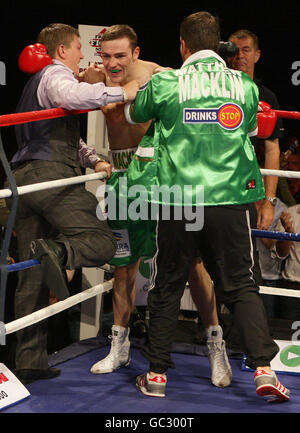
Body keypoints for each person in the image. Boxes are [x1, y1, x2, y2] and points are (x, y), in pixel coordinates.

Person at [125, 11, 290, 402]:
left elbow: (134, 113)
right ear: (218, 46)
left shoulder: (167, 81)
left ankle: (157, 376)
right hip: (230, 200)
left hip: (179, 199)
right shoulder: (245, 87)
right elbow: (250, 130)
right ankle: (264, 370)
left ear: (183, 46)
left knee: (167, 284)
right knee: (240, 285)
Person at [89, 24, 232, 388]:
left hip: (163, 178)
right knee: (123, 266)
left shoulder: (159, 75)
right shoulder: (94, 80)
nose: (113, 63)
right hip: (121, 179)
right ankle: (119, 346)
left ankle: (218, 346)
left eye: (120, 55)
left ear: (135, 53)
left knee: (193, 265)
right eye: (106, 56)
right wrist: (92, 157)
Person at [5, 23, 139, 385]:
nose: (84, 54)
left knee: (32, 275)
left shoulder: (37, 84)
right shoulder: (54, 74)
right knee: (103, 241)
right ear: (63, 50)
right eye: (79, 47)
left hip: (26, 181)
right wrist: (121, 91)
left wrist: (93, 159)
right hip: (48, 178)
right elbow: (73, 97)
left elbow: (63, 133)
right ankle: (59, 252)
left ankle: (29, 361)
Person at [227, 29, 284, 231]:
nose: (240, 55)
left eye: (246, 50)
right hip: (213, 185)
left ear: (257, 55)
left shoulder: (266, 97)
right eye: (235, 50)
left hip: (247, 188)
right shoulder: (213, 92)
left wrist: (269, 201)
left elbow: (272, 150)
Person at [270, 204, 300, 320]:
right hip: (293, 288)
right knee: (289, 335)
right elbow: (280, 254)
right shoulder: (290, 214)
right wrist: (288, 233)